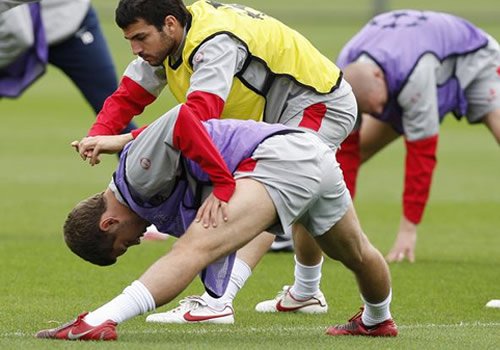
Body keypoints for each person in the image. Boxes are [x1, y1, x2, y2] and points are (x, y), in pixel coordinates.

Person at [80, 0, 358, 323]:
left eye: (140, 38)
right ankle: (306, 293)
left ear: (170, 24)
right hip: (285, 109)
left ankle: (218, 301)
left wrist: (125, 139)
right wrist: (96, 134)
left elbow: (198, 118)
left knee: (266, 192)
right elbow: (129, 95)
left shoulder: (213, 43)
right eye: (130, 40)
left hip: (317, 102)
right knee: (292, 196)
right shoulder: (171, 39)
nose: (134, 49)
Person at [35, 110, 398, 341]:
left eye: (125, 244)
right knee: (356, 253)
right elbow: (166, 136)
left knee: (192, 249)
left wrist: (224, 184)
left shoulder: (135, 176)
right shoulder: (138, 191)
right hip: (309, 153)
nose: (139, 240)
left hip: (278, 158)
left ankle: (98, 320)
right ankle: (377, 319)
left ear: (109, 221)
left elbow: (180, 119)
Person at [333, 9, 500, 263]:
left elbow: (421, 154)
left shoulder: (414, 74)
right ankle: (307, 225)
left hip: (475, 60)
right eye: (369, 111)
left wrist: (407, 232)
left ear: (379, 77)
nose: (378, 114)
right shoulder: (343, 76)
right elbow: (346, 150)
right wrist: (336, 227)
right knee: (355, 147)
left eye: (378, 107)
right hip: (407, 71)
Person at [0, 0, 137, 134]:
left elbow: (19, 33)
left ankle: (142, 155)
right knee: (114, 110)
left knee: (114, 112)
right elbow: (18, 34)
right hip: (7, 36)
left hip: (71, 23)